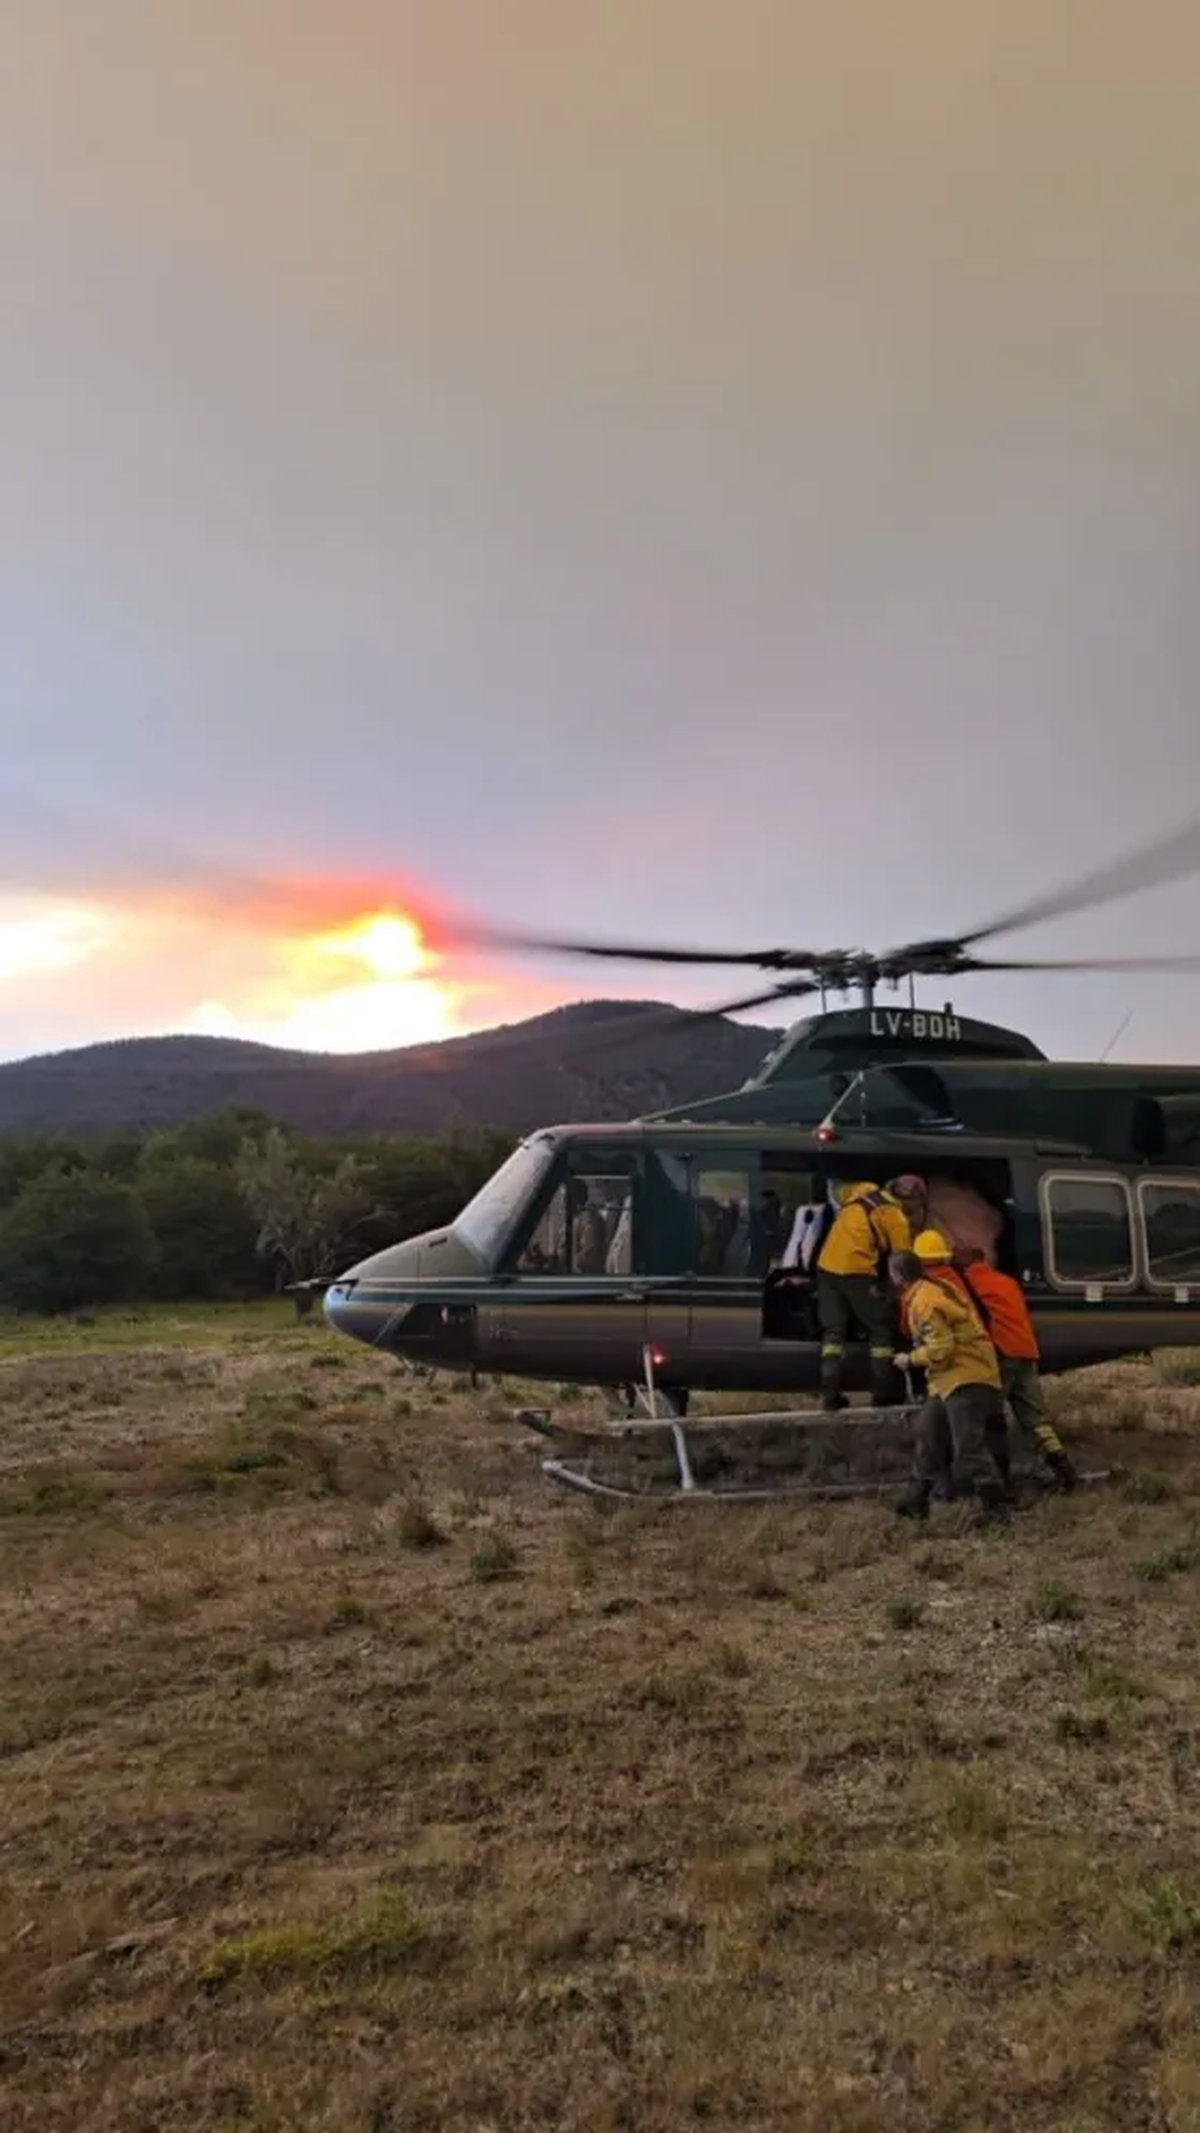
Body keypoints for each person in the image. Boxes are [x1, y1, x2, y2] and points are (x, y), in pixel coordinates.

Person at [888, 1246, 1012, 1523]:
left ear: (897, 1276)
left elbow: (942, 1349)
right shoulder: (935, 1288)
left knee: (968, 1445)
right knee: (928, 1432)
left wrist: (910, 1359)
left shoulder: (924, 1302)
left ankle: (997, 1508)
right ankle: (916, 1500)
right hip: (949, 1380)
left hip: (965, 1376)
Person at [816, 1180, 913, 1410]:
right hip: (858, 1271)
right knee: (881, 1329)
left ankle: (830, 1394)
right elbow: (903, 1260)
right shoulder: (896, 1216)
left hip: (827, 1267)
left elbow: (839, 1193)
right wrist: (892, 1291)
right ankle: (883, 1395)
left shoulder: (863, 1191)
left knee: (833, 1332)